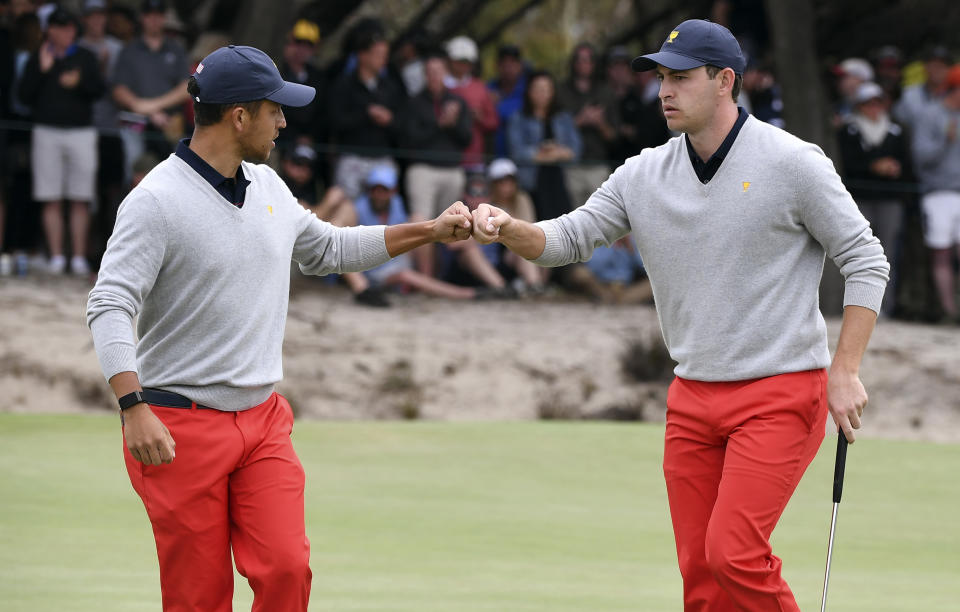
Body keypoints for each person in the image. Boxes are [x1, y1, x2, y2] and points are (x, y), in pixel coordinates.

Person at [471, 19, 888, 611]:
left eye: (681, 78)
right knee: (700, 578)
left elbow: (866, 260)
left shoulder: (793, 163)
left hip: (781, 390)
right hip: (692, 398)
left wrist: (845, 370)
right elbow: (566, 239)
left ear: (724, 82)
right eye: (661, 77)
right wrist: (508, 228)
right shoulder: (643, 172)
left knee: (733, 555)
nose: (664, 91)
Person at [85, 45, 473, 611]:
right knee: (199, 596)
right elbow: (110, 303)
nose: (284, 122)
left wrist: (430, 231)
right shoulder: (155, 201)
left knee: (288, 569)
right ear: (239, 116)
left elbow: (328, 248)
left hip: (263, 421)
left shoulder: (267, 185)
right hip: (176, 427)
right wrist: (132, 406)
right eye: (275, 110)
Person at [18, 6, 105, 275]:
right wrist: (42, 71)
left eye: (68, 28)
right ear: (50, 31)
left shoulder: (86, 57)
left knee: (81, 196)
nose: (64, 33)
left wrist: (80, 82)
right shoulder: (38, 58)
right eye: (58, 28)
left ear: (74, 31)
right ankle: (56, 257)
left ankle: (77, 257)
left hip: (81, 133)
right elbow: (23, 97)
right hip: (46, 132)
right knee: (50, 196)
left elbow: (99, 90)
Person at [279, 143, 390, 307]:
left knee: (346, 208)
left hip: (322, 252)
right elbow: (300, 226)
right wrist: (328, 203)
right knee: (336, 210)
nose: (303, 170)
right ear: (286, 163)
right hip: (293, 257)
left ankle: (357, 280)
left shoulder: (315, 184)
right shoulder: (279, 185)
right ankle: (361, 286)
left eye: (307, 166)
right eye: (297, 164)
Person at [838, 81, 911, 317]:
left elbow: (908, 165)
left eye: (877, 102)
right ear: (859, 106)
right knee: (856, 254)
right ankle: (854, 309)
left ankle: (885, 309)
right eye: (867, 103)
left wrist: (894, 169)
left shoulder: (896, 131)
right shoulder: (848, 130)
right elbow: (846, 164)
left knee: (887, 255)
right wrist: (873, 167)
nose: (873, 107)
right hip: (858, 199)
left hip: (890, 200)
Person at [355, 165, 479, 300]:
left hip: (396, 258)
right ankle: (468, 294)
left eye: (384, 190)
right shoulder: (359, 208)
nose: (379, 195)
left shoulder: (396, 203)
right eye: (375, 190)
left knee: (420, 223)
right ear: (369, 191)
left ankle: (427, 279)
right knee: (406, 273)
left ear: (393, 191)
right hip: (376, 270)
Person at [401, 50, 472, 277]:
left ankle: (443, 278)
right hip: (422, 170)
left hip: (452, 171)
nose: (434, 75)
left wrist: (453, 124)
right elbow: (410, 140)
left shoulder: (458, 102)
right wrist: (440, 124)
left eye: (438, 71)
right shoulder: (413, 103)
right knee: (423, 224)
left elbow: (466, 139)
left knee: (452, 226)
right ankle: (426, 277)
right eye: (430, 72)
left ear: (446, 73)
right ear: (424, 74)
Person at [111, 0, 190, 183]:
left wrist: (152, 107)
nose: (154, 20)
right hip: (133, 120)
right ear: (142, 18)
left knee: (175, 172)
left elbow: (187, 87)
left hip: (169, 120)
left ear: (164, 18)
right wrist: (146, 110)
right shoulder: (129, 50)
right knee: (133, 168)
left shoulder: (176, 49)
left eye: (158, 15)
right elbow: (118, 90)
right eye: (149, 15)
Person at [327, 21, 403, 199]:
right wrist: (366, 115)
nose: (383, 59)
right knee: (346, 206)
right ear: (362, 55)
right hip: (351, 157)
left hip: (382, 157)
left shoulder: (391, 87)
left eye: (385, 55)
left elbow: (403, 125)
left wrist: (389, 120)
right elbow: (335, 121)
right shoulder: (343, 84)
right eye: (378, 54)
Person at [911, 65, 960, 322]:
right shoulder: (930, 115)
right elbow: (920, 159)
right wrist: (944, 141)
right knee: (941, 253)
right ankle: (949, 312)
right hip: (938, 193)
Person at [506, 69, 582, 221]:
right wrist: (545, 154)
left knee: (564, 225)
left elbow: (576, 150)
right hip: (532, 182)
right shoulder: (518, 118)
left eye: (546, 89)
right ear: (529, 91)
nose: (542, 94)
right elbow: (516, 151)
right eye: (538, 89)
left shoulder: (563, 117)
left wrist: (556, 153)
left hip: (561, 181)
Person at [558, 42, 619, 208]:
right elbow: (553, 132)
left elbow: (614, 136)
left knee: (602, 216)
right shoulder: (561, 90)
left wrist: (600, 124)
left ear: (594, 63)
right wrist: (579, 120)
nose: (584, 63)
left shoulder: (605, 91)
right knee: (572, 220)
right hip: (571, 165)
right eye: (579, 59)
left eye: (588, 59)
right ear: (573, 63)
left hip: (598, 164)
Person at [446, 35, 498, 173]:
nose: (463, 66)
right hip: (444, 158)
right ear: (450, 61)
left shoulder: (479, 87)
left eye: (467, 62)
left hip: (473, 159)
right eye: (459, 61)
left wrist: (480, 118)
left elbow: (492, 122)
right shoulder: (439, 86)